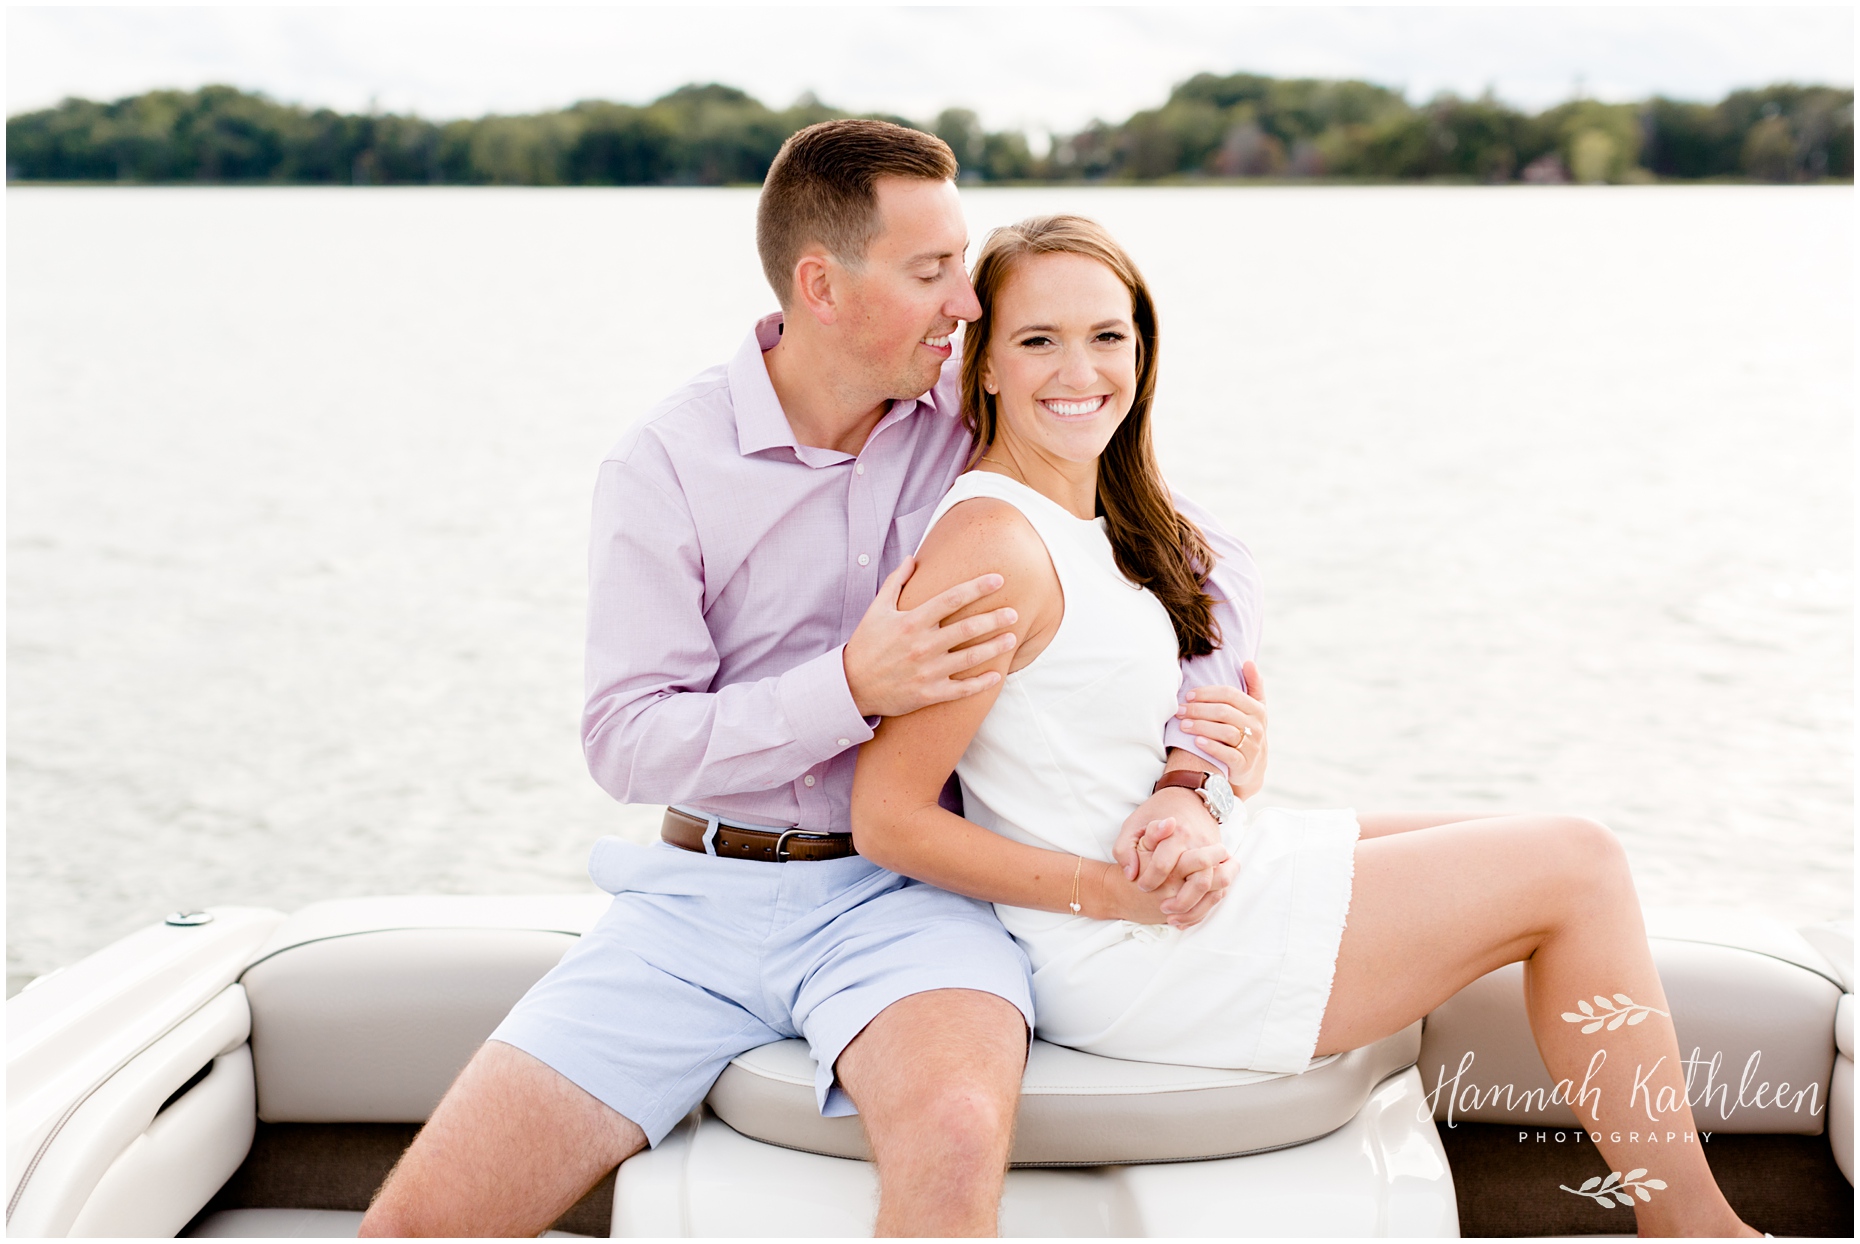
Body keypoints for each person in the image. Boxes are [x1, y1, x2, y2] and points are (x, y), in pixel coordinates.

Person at [361, 122, 1266, 1238]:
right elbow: (626, 740)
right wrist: (846, 685)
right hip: (692, 906)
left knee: (955, 1135)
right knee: (419, 1224)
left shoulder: (971, 425)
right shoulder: (666, 465)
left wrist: (1194, 760)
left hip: (912, 906)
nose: (969, 306)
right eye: (934, 272)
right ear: (821, 284)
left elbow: (1196, 564)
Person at [849, 214, 1762, 1237]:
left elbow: (1126, 724)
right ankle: (1701, 1227)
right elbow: (887, 816)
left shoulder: (1107, 521)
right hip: (1135, 946)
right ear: (983, 369)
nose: (1081, 368)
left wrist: (1225, 768)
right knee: (1576, 861)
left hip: (1199, 872)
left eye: (1109, 335)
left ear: (1143, 353)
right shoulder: (995, 543)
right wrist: (1103, 890)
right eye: (1038, 339)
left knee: (1546, 850)